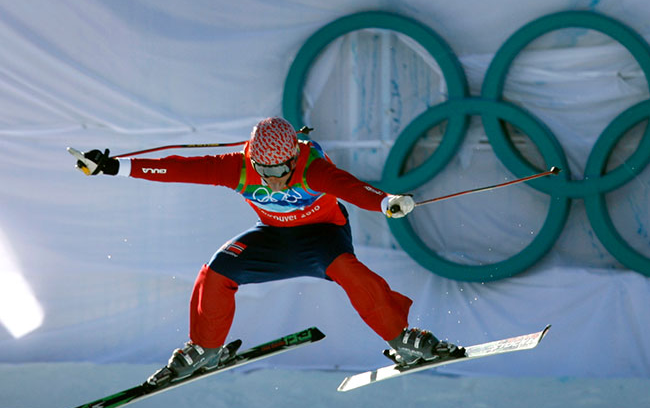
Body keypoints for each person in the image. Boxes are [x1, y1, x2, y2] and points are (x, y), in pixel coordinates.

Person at [76, 117, 461, 385]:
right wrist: (113, 167)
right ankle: (206, 349)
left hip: (323, 236)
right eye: (264, 171)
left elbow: (352, 188)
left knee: (351, 272)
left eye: (280, 172)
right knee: (216, 271)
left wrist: (387, 203)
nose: (273, 181)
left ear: (294, 157)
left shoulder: (313, 167)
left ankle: (401, 339)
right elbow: (179, 168)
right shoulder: (238, 168)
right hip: (274, 238)